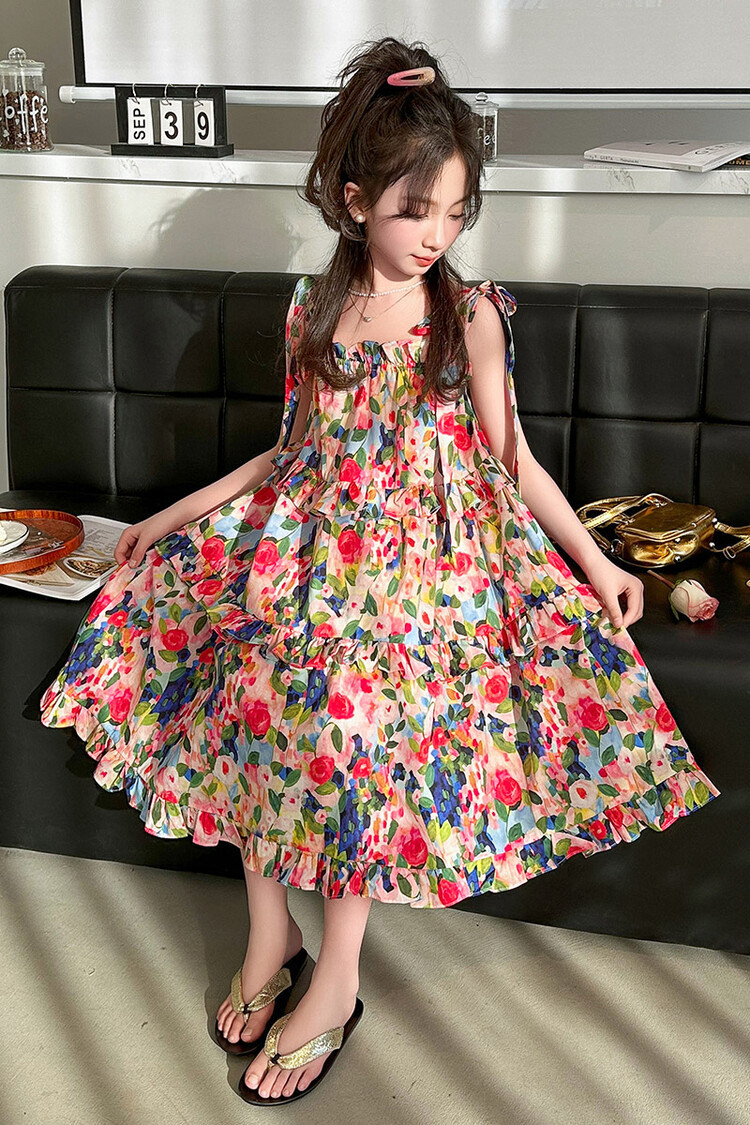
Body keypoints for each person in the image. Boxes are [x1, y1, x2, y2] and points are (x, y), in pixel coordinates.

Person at [39, 35, 721, 1107]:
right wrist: (171, 516)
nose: (436, 235)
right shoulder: (312, 310)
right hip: (311, 539)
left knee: (351, 719)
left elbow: (511, 457)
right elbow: (291, 450)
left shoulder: (469, 313)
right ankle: (272, 937)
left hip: (428, 559)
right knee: (252, 682)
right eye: (415, 212)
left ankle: (338, 977)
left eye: (454, 212)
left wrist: (595, 563)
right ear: (355, 202)